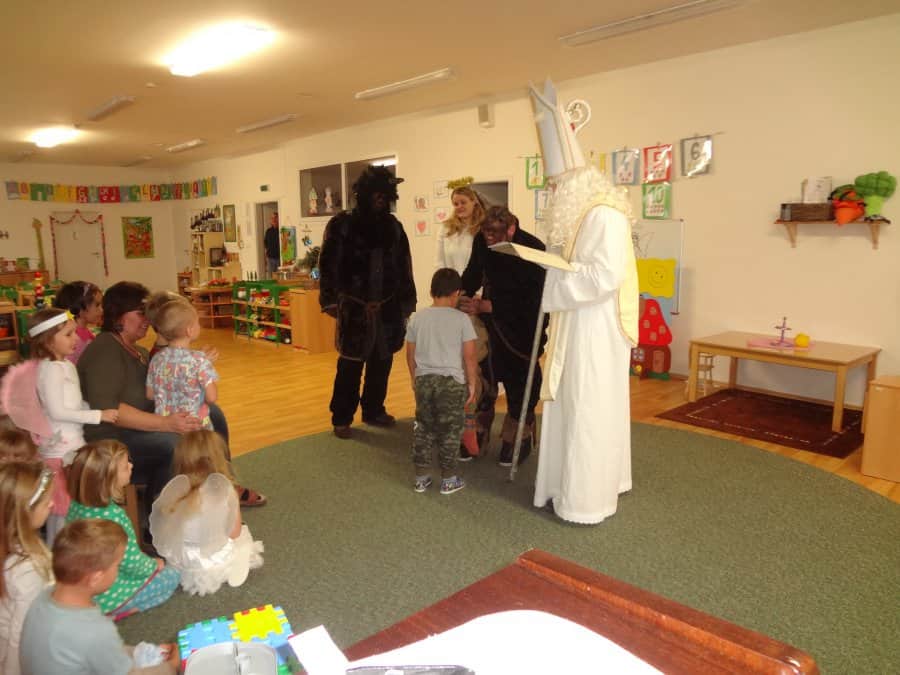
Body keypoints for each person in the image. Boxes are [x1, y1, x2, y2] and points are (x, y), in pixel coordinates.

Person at [529, 79, 639, 524]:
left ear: (576, 182)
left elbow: (605, 276)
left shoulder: (604, 216)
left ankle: (585, 499)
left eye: (557, 184)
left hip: (595, 328)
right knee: (575, 404)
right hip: (579, 322)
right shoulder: (584, 215)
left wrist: (555, 284)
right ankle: (565, 484)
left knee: (587, 408)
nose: (553, 192)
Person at [77, 281, 264, 507]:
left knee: (213, 413)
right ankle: (161, 512)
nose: (148, 320)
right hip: (114, 436)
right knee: (175, 444)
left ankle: (221, 481)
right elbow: (110, 409)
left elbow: (164, 382)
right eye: (141, 313)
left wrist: (195, 365)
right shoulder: (105, 349)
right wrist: (165, 423)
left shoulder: (138, 350)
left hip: (145, 424)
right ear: (119, 316)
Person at [319, 165, 417, 439]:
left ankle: (374, 410)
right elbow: (327, 264)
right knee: (349, 366)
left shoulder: (394, 228)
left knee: (382, 364)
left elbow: (404, 266)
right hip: (354, 308)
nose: (380, 200)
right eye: (376, 194)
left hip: (387, 308)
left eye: (385, 195)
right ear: (363, 194)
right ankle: (341, 417)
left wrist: (407, 302)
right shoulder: (342, 225)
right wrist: (330, 300)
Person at [19, 519, 180, 675]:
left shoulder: (42, 599)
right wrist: (171, 667)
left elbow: (91, 651)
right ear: (96, 578)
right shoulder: (96, 630)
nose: (118, 570)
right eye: (117, 566)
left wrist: (138, 652)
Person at [460, 206, 547, 466]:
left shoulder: (533, 248)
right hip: (490, 322)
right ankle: (481, 424)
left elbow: (535, 297)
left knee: (519, 378)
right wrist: (461, 295)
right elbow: (474, 272)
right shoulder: (482, 240)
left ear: (511, 229)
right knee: (485, 372)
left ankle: (519, 428)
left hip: (524, 325)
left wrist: (493, 305)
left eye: (495, 234)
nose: (489, 239)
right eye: (485, 233)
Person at [27, 308, 118, 543]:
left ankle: (69, 550)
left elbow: (75, 403)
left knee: (71, 506)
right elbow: (57, 412)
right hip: (59, 450)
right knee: (61, 510)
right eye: (68, 334)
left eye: (74, 332)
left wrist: (93, 408)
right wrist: (98, 415)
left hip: (74, 443)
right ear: (47, 340)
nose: (76, 338)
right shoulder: (49, 369)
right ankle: (56, 553)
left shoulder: (65, 365)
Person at [66, 440, 180, 620]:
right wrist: (154, 566)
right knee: (173, 575)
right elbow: (131, 561)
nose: (131, 466)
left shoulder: (76, 505)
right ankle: (122, 609)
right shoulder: (113, 516)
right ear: (109, 479)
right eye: (125, 466)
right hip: (111, 592)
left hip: (82, 587)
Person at [149, 430, 263, 595]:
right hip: (213, 559)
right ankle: (233, 564)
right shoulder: (226, 492)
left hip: (182, 559)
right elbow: (234, 533)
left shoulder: (175, 489)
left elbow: (167, 526)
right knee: (243, 534)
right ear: (219, 459)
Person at [405, 269, 478, 495]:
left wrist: (414, 378)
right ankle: (448, 480)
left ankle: (421, 478)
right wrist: (472, 384)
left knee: (423, 428)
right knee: (450, 431)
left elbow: (410, 354)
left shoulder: (417, 318)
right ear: (456, 293)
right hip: (450, 384)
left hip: (424, 381)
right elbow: (469, 356)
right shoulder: (462, 319)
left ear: (432, 291)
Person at [0, 462, 53, 675]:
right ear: (25, 512)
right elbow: (20, 634)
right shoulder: (27, 569)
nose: (51, 505)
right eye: (46, 502)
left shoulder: (14, 544)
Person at [146, 301, 218, 430]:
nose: (199, 326)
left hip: (168, 428)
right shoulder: (200, 360)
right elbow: (211, 398)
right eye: (198, 322)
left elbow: (150, 395)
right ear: (190, 331)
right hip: (195, 427)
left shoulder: (156, 359)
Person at [434, 184, 487, 274]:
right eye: (456, 204)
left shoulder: (484, 228)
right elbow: (439, 262)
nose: (459, 206)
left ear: (474, 202)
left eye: (463, 202)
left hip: (477, 282)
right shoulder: (445, 228)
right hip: (452, 282)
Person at [52, 281, 103, 364]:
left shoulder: (84, 331)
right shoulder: (73, 340)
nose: (101, 310)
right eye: (97, 305)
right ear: (80, 309)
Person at [264, 211, 280, 279]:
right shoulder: (268, 231)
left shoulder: (281, 230)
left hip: (279, 258)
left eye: (275, 217)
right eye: (272, 218)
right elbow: (266, 245)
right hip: (270, 258)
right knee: (270, 277)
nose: (274, 220)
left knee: (279, 277)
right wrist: (265, 259)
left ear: (278, 219)